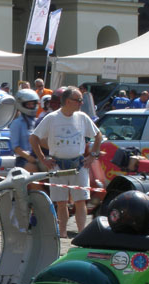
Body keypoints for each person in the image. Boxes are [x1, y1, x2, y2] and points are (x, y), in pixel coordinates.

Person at [30, 87, 102, 238]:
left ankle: (81, 234)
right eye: (79, 100)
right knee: (61, 202)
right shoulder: (51, 118)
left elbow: (98, 136)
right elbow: (34, 138)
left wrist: (93, 156)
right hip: (58, 166)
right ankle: (62, 234)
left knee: (80, 201)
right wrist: (43, 158)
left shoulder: (82, 117)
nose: (81, 103)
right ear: (68, 101)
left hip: (79, 165)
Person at [9, 88, 41, 171]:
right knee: (33, 169)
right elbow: (15, 147)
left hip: (39, 156)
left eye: (33, 104)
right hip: (23, 159)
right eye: (28, 104)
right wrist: (29, 157)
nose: (31, 106)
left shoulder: (38, 121)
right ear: (21, 104)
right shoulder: (16, 123)